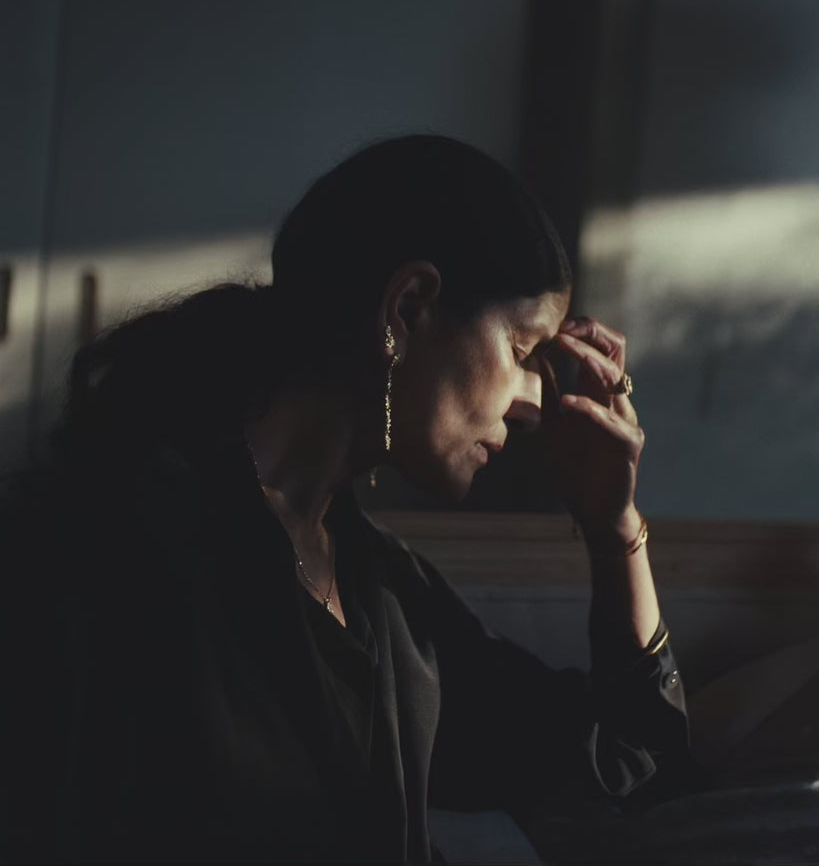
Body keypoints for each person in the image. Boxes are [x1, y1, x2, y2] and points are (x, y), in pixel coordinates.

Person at [0, 135, 689, 863]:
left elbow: (631, 761)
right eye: (521, 352)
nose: (532, 406)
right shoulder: (98, 551)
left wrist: (613, 527)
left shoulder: (386, 599)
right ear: (409, 307)